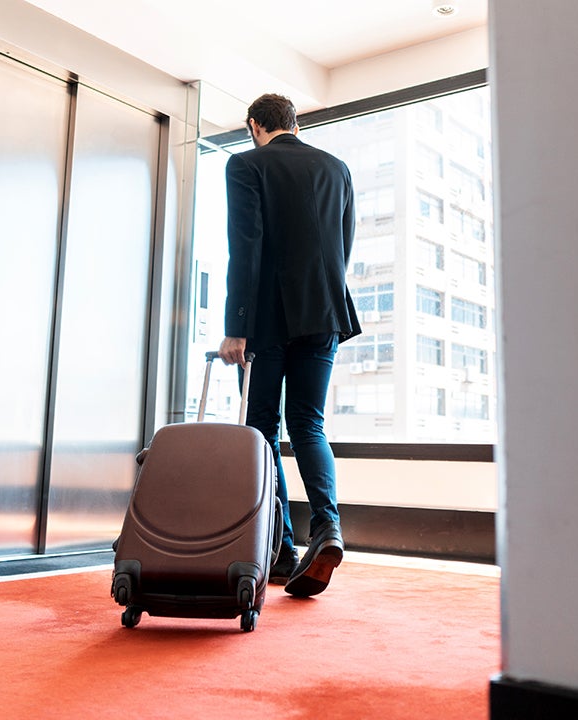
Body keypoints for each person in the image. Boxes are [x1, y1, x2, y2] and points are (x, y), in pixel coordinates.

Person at [217, 94, 360, 598]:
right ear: (294, 124)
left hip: (267, 317)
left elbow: (245, 246)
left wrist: (237, 325)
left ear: (254, 126)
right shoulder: (336, 168)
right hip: (324, 312)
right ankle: (328, 526)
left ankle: (279, 548)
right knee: (309, 424)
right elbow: (344, 242)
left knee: (261, 429)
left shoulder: (246, 165)